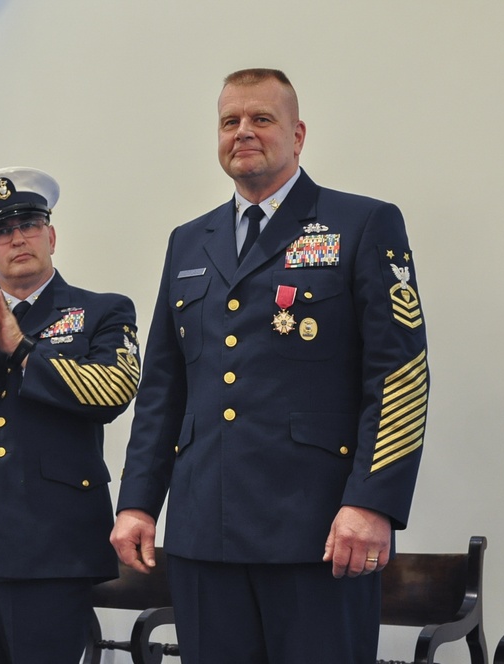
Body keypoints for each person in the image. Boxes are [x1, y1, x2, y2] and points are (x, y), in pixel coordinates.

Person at [110, 68, 429, 663]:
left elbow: (400, 375)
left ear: (298, 133)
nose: (244, 132)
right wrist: (137, 502)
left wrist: (373, 502)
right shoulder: (189, 240)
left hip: (320, 530)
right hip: (206, 531)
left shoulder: (360, 223)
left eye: (262, 118)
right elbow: (163, 388)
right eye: (230, 121)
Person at [0, 166, 142, 664]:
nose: (17, 238)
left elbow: (112, 391)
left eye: (29, 225)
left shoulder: (102, 311)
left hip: (52, 545)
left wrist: (17, 347)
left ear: (51, 235)